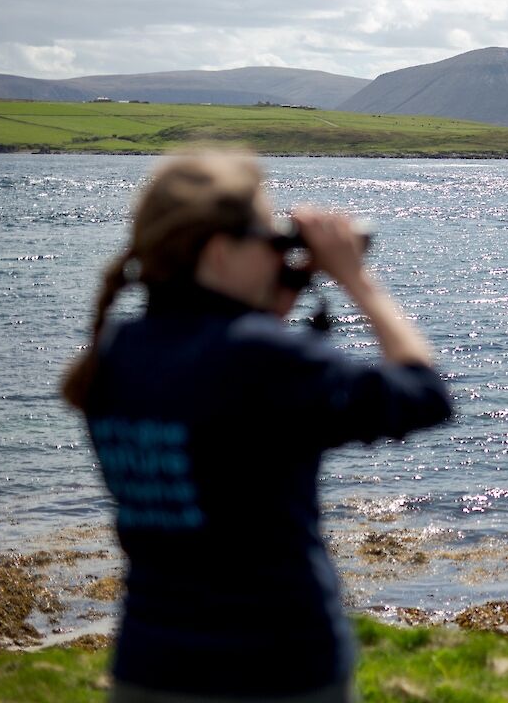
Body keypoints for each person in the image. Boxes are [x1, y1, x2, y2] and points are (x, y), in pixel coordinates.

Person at [61, 151, 452, 702]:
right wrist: (358, 280)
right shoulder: (259, 358)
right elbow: (424, 396)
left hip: (151, 665)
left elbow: (225, 408)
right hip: (278, 666)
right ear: (221, 251)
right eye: (271, 240)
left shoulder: (116, 353)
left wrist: (271, 300)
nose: (280, 254)